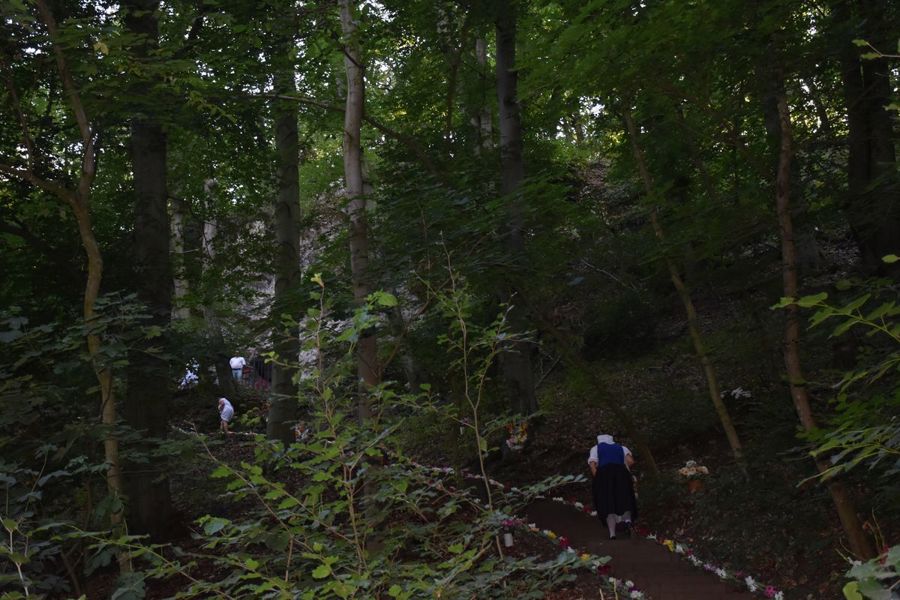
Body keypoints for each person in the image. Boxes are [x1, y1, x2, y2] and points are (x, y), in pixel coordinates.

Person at [588, 433, 637, 540]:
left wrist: (598, 479)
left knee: (608, 502)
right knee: (625, 498)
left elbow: (592, 465)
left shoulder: (596, 448)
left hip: (605, 476)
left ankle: (612, 534)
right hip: (622, 475)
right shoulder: (622, 448)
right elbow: (630, 461)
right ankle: (628, 521)